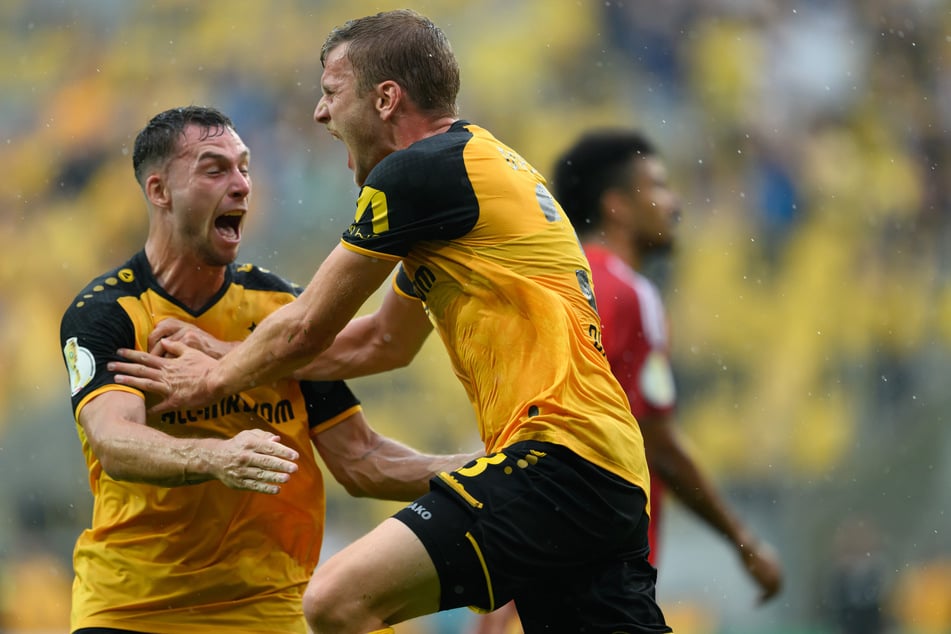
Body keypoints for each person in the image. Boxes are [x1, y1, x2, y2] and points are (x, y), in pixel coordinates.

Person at [110, 9, 671, 634]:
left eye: (330, 93)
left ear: (385, 99)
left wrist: (208, 381)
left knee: (336, 601)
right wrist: (221, 349)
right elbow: (382, 342)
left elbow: (306, 329)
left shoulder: (421, 172)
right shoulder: (471, 175)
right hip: (608, 472)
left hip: (557, 459)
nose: (320, 114)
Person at [59, 105, 477, 634]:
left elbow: (362, 460)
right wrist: (217, 456)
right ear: (159, 191)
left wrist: (487, 471)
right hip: (134, 608)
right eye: (215, 170)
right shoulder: (109, 312)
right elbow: (114, 440)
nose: (241, 186)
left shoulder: (281, 310)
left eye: (245, 168)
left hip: (273, 605)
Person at [471, 130, 785, 632]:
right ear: (616, 206)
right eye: (658, 186)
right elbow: (658, 445)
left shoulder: (558, 283)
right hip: (606, 572)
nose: (675, 203)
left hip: (548, 560)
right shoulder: (629, 293)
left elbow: (538, 431)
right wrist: (744, 543)